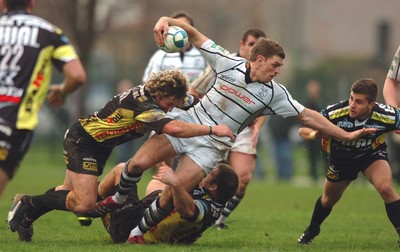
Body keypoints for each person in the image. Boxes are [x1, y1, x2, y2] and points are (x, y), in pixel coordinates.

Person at [97, 16, 374, 244]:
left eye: (280, 67)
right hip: (190, 124)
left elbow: (308, 116)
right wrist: (165, 20)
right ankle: (119, 198)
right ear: (260, 59)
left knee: (174, 190)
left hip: (210, 148)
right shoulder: (226, 62)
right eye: (275, 65)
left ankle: (137, 235)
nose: (278, 71)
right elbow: (194, 34)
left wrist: (346, 135)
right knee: (138, 163)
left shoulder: (274, 94)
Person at [6, 70, 234, 242]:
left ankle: (27, 212)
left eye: (173, 104)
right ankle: (28, 204)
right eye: (168, 104)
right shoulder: (144, 104)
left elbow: (194, 103)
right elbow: (174, 129)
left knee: (70, 195)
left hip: (101, 145)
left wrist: (228, 117)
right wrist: (214, 130)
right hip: (84, 141)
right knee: (85, 204)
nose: (169, 108)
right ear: (161, 94)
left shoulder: (164, 95)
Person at [0, 0, 86, 205]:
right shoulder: (49, 33)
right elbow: (77, 76)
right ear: (32, 2)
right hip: (14, 122)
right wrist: (62, 91)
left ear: (3, 3)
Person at [297, 78, 400, 246]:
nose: (352, 104)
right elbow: (303, 130)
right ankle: (312, 230)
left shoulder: (387, 115)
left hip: (371, 156)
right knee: (328, 200)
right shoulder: (335, 113)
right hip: (341, 160)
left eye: (359, 102)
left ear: (371, 105)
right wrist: (317, 134)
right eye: (351, 98)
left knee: (386, 189)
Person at [188, 28, 268, 229]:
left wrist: (257, 125)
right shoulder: (223, 64)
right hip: (214, 127)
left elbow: (268, 107)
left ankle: (218, 218)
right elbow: (194, 91)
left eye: (259, 48)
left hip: (242, 131)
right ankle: (195, 212)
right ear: (242, 45)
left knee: (242, 177)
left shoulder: (266, 75)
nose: (254, 50)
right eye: (251, 45)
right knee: (201, 175)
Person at [143, 11, 208, 194]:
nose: (178, 30)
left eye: (183, 27)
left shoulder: (202, 56)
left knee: (193, 168)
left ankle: (187, 205)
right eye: (174, 27)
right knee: (162, 169)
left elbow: (210, 85)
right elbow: (149, 86)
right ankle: (154, 204)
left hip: (194, 117)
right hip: (166, 117)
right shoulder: (159, 57)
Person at [99, 161, 239, 244]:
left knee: (122, 169)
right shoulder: (214, 199)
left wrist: (175, 183)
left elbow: (189, 211)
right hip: (150, 217)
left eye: (211, 172)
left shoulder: (207, 208)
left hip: (130, 228)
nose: (207, 170)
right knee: (157, 182)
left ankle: (93, 200)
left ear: (213, 186)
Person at [303, 80, 328, 182]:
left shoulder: (322, 101)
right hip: (311, 133)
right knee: (312, 156)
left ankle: (327, 175)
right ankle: (314, 177)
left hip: (322, 133)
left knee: (325, 156)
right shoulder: (307, 103)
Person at [267, 116, 296, 181]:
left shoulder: (286, 115)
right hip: (275, 139)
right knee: (278, 158)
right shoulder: (273, 116)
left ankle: (287, 176)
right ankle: (280, 175)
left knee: (285, 158)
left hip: (284, 138)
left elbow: (290, 124)